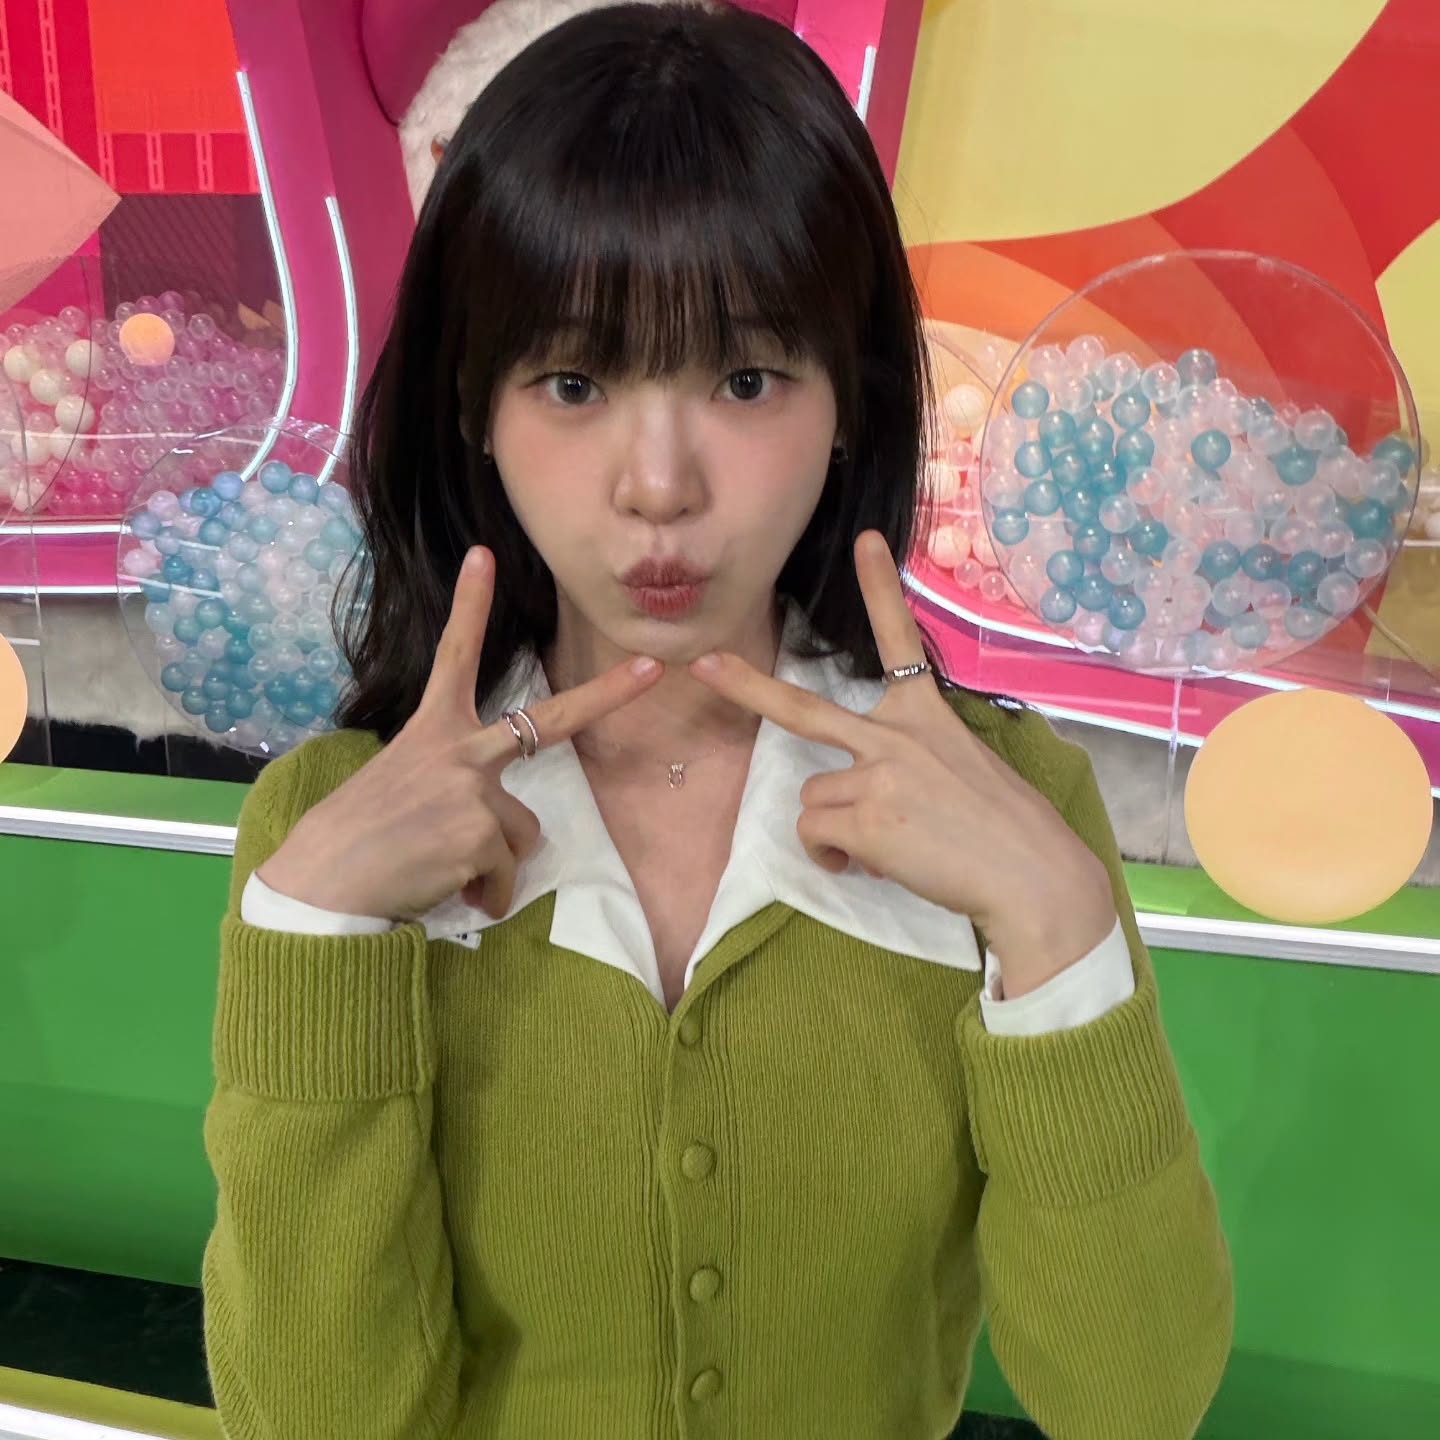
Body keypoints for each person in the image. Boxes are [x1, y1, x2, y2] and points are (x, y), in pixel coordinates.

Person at [200, 4, 1234, 1437]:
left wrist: (1061, 933)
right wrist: (312, 936)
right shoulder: (331, 826)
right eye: (573, 382)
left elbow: (1136, 1403)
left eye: (747, 380)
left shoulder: (1009, 806)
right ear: (475, 405)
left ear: (849, 399)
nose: (660, 487)